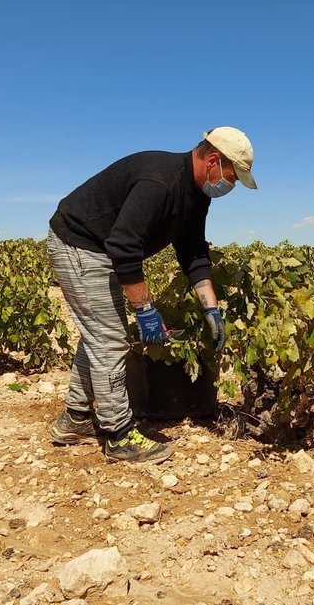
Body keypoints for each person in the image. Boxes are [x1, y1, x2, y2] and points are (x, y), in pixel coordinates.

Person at [47, 127, 257, 464]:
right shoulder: (160, 181)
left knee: (98, 333)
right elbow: (124, 246)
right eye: (231, 178)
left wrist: (212, 310)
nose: (229, 187)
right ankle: (118, 436)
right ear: (213, 161)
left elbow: (193, 253)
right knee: (109, 339)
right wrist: (145, 309)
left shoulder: (197, 195)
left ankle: (75, 419)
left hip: (102, 248)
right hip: (79, 243)